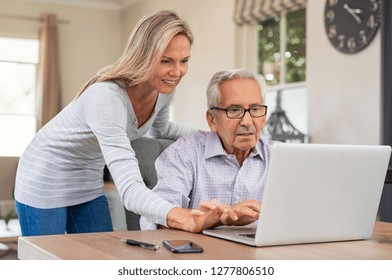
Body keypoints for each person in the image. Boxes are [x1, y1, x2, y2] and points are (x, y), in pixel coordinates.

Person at [14, 10, 223, 236]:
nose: (177, 71)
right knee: (47, 267)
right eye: (166, 61)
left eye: (184, 61)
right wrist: (179, 215)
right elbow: (131, 190)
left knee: (98, 263)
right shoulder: (107, 98)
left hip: (87, 179)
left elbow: (161, 129)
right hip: (45, 175)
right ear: (143, 55)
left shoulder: (163, 91)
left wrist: (211, 136)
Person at [140, 68, 275, 230]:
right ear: (212, 119)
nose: (247, 121)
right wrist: (217, 218)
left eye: (255, 109)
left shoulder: (279, 157)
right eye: (234, 110)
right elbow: (156, 218)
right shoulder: (185, 153)